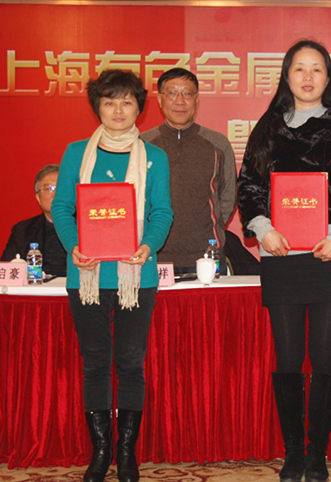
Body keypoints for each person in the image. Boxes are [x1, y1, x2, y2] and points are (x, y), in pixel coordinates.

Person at [236, 40, 331, 482]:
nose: (308, 77)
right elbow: (249, 184)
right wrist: (263, 229)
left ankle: (318, 454)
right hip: (281, 254)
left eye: (317, 69)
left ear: (329, 77)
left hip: (330, 254)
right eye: (299, 69)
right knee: (289, 358)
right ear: (286, 76)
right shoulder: (268, 127)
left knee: (325, 358)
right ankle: (293, 452)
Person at [52, 69, 173, 482]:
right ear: (97, 108)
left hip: (135, 275)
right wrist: (74, 246)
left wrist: (148, 245)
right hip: (85, 273)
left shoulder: (155, 157)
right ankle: (101, 451)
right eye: (109, 101)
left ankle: (126, 452)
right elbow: (62, 207)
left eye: (126, 101)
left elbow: (162, 212)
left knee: (131, 363)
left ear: (139, 108)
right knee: (95, 363)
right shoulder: (76, 153)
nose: (118, 110)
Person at [141, 68, 236, 275]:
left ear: (197, 100)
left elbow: (228, 196)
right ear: (160, 100)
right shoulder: (142, 144)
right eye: (172, 93)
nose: (180, 101)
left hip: (207, 254)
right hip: (154, 254)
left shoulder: (217, 143)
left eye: (187, 93)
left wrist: (212, 226)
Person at [2, 164, 67, 276]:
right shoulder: (22, 230)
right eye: (49, 189)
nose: (55, 195)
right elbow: (7, 271)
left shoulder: (88, 226)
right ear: (38, 198)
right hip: (37, 287)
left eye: (60, 188)